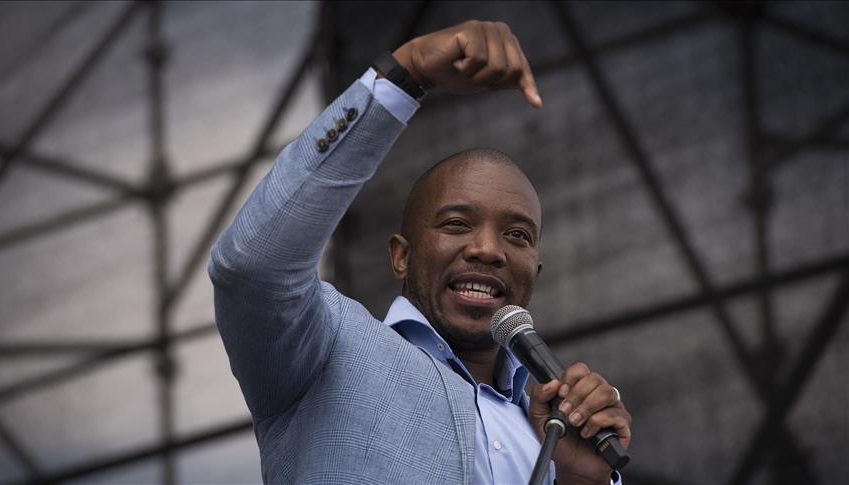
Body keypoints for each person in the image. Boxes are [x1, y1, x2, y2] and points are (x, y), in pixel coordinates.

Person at [210, 20, 632, 485]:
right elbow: (252, 267)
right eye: (457, 224)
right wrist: (404, 75)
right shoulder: (326, 349)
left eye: (517, 235)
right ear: (401, 257)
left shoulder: (551, 438)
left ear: (536, 272)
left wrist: (577, 481)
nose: (488, 249)